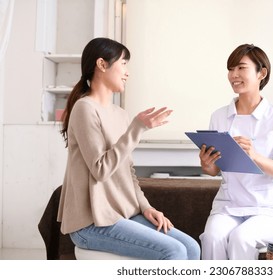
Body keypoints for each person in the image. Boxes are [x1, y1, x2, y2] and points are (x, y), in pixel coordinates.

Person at [57, 37, 200, 260]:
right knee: (174, 251)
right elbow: (100, 169)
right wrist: (138, 128)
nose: (127, 72)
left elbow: (128, 173)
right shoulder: (84, 108)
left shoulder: (121, 114)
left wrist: (146, 207)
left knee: (192, 248)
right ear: (102, 64)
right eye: (123, 63)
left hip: (122, 215)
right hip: (91, 223)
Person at [199, 44, 273, 260]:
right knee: (212, 238)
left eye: (241, 68)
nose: (233, 75)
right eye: (230, 69)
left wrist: (254, 156)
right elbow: (213, 170)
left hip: (267, 209)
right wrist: (207, 165)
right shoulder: (219, 116)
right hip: (228, 206)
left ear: (261, 73)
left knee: (241, 239)